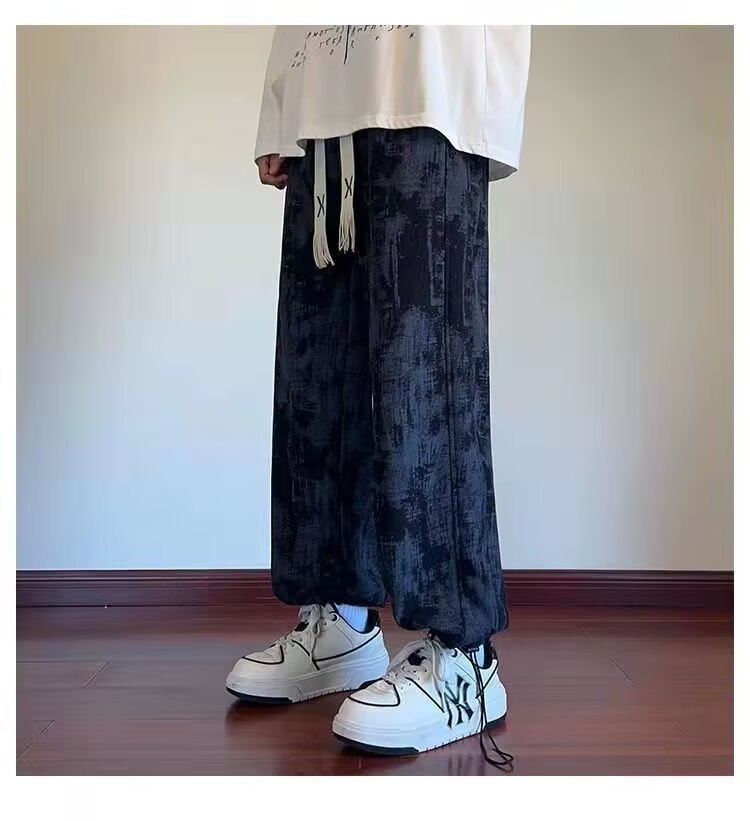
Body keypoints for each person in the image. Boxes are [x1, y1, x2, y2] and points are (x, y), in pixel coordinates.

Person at [226, 25, 531, 768]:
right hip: (323, 106)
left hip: (430, 85)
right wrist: (280, 110)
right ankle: (342, 620)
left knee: (426, 373)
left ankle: (465, 657)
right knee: (317, 374)